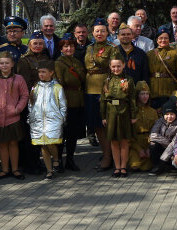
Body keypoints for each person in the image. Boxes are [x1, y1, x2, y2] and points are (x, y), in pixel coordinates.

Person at [0, 52, 29, 180]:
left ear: (12, 64)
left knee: (13, 144)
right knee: (2, 144)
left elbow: (24, 95)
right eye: (1, 63)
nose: (4, 65)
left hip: (13, 117)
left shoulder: (18, 79)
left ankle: (15, 169)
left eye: (7, 63)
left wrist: (17, 109)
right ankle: (4, 169)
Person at [16, 30, 52, 174]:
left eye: (40, 43)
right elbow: (24, 83)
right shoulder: (24, 60)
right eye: (35, 43)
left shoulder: (45, 57)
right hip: (32, 101)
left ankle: (38, 161)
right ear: (29, 44)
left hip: (46, 100)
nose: (38, 46)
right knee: (29, 134)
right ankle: (29, 164)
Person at [84, 18, 116, 165]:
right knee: (96, 124)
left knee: (107, 124)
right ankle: (105, 154)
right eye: (97, 31)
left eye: (103, 30)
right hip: (90, 89)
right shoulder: (89, 48)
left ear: (107, 32)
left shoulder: (112, 48)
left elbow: (116, 70)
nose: (100, 33)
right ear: (93, 32)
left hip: (105, 89)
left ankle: (109, 157)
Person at [28, 61, 66, 181]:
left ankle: (56, 159)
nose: (41, 74)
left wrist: (61, 118)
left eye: (44, 72)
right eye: (39, 72)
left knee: (50, 142)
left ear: (51, 73)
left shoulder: (57, 87)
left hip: (53, 120)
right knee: (42, 144)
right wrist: (31, 116)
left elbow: (63, 105)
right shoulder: (35, 87)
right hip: (38, 121)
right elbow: (31, 103)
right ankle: (49, 170)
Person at [54, 35, 86, 171]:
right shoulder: (59, 63)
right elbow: (58, 83)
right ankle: (58, 160)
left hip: (78, 100)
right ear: (61, 48)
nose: (69, 48)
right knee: (62, 133)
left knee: (73, 134)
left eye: (71, 46)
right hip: (65, 101)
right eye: (66, 46)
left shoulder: (77, 62)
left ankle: (70, 160)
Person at [103, 57, 137, 177]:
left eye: (118, 66)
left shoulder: (129, 79)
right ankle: (116, 167)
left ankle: (123, 167)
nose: (116, 69)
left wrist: (133, 115)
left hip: (124, 111)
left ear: (123, 65)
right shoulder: (107, 80)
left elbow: (132, 98)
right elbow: (103, 99)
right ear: (110, 67)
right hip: (111, 112)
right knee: (114, 141)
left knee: (124, 140)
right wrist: (103, 116)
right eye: (113, 66)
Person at [148, 26, 177, 110]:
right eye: (160, 38)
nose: (163, 40)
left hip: (170, 91)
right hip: (153, 91)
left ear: (169, 40)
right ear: (156, 39)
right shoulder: (150, 54)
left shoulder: (176, 54)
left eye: (166, 38)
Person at [129, 82, 158, 171]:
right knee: (135, 166)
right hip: (135, 142)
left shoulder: (153, 111)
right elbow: (129, 134)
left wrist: (150, 148)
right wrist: (139, 149)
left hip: (148, 142)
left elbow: (155, 131)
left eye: (147, 94)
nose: (145, 96)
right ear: (137, 95)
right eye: (142, 94)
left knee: (148, 166)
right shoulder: (132, 111)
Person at [148, 101, 177, 175]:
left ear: (176, 114)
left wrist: (162, 161)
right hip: (165, 145)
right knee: (153, 144)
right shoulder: (160, 121)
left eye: (172, 114)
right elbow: (153, 135)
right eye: (167, 114)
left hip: (175, 150)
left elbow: (175, 143)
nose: (169, 116)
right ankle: (156, 166)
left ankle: (164, 166)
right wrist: (167, 142)